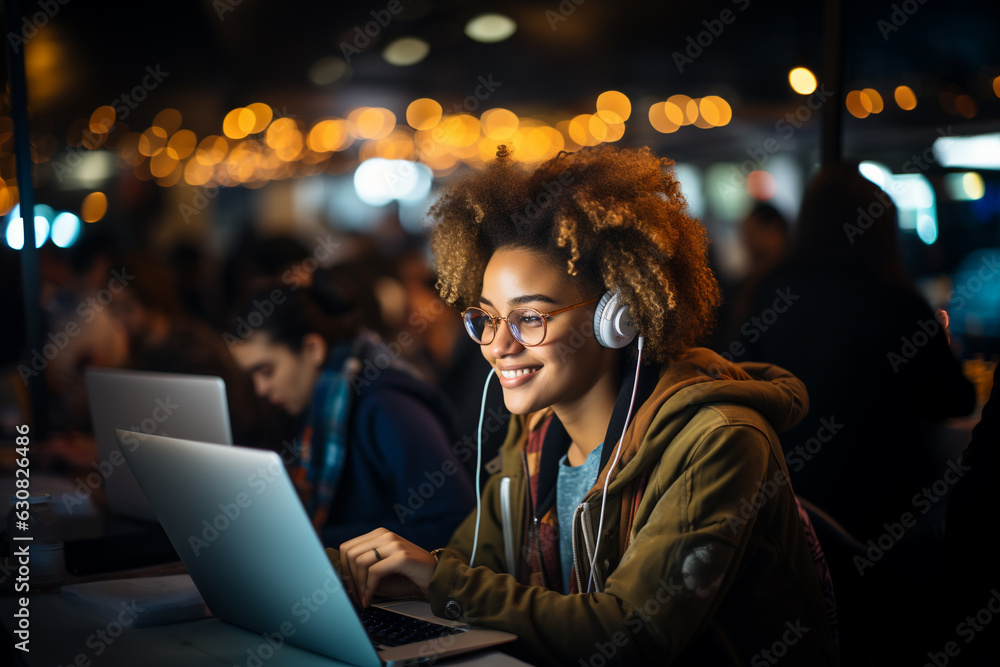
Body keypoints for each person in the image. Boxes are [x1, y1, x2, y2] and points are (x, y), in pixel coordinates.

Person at [336, 145, 837, 665]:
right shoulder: (531, 432)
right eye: (485, 317)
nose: (498, 346)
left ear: (616, 317)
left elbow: (631, 636)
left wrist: (445, 582)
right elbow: (472, 567)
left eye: (530, 318)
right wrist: (407, 577)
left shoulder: (718, 439)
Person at [227, 268, 475, 549]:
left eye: (267, 370)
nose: (261, 388)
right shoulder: (322, 404)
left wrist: (320, 542)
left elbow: (455, 525)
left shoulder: (388, 406)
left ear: (312, 350)